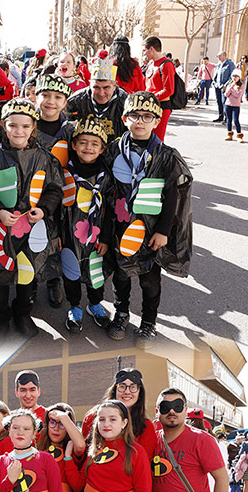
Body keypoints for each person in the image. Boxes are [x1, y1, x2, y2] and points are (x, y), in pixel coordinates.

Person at [104, 91, 193, 341]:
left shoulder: (166, 155)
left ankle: (148, 321)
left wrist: (163, 231)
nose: (140, 121)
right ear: (124, 118)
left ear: (157, 121)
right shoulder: (113, 150)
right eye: (134, 115)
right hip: (120, 227)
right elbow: (105, 192)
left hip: (151, 230)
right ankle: (121, 314)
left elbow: (174, 196)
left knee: (149, 280)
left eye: (147, 116)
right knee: (121, 275)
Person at [0, 97, 63, 338]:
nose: (19, 131)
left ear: (34, 126)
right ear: (4, 125)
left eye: (25, 126)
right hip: (1, 226)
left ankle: (23, 312)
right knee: (1, 271)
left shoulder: (45, 157)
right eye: (13, 125)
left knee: (27, 270)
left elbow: (55, 188)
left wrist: (44, 209)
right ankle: (0, 317)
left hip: (32, 227)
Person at [58, 114, 112, 333]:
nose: (88, 147)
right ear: (74, 145)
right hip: (69, 233)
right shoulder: (65, 173)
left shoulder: (107, 176)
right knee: (71, 270)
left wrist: (106, 238)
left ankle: (95, 304)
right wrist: (59, 235)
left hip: (97, 236)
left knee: (95, 271)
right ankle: (74, 307)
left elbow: (109, 212)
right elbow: (58, 209)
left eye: (94, 144)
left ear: (101, 149)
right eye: (83, 142)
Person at [67, 55, 127, 143]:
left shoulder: (126, 102)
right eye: (96, 87)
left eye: (106, 88)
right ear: (90, 85)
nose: (101, 93)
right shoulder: (78, 99)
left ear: (114, 86)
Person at [143, 36, 176, 140]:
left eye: (145, 50)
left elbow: (169, 90)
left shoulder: (167, 65)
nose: (144, 53)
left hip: (161, 107)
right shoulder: (150, 64)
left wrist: (151, 97)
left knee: (156, 139)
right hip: (148, 105)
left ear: (151, 49)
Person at [212, 51, 236, 123]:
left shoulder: (230, 64)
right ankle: (220, 116)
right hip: (217, 86)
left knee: (224, 102)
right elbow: (215, 75)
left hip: (225, 87)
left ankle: (227, 118)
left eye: (220, 56)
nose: (218, 57)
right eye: (218, 56)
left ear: (225, 56)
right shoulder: (218, 65)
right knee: (219, 101)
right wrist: (214, 82)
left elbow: (232, 76)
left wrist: (225, 85)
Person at [224, 69, 245, 139]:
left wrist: (231, 91)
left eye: (236, 76)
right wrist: (231, 86)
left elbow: (238, 95)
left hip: (236, 106)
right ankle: (229, 134)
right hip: (228, 104)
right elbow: (226, 94)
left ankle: (239, 136)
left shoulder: (242, 85)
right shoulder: (230, 84)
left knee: (236, 120)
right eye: (233, 76)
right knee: (228, 120)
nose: (234, 78)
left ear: (239, 77)